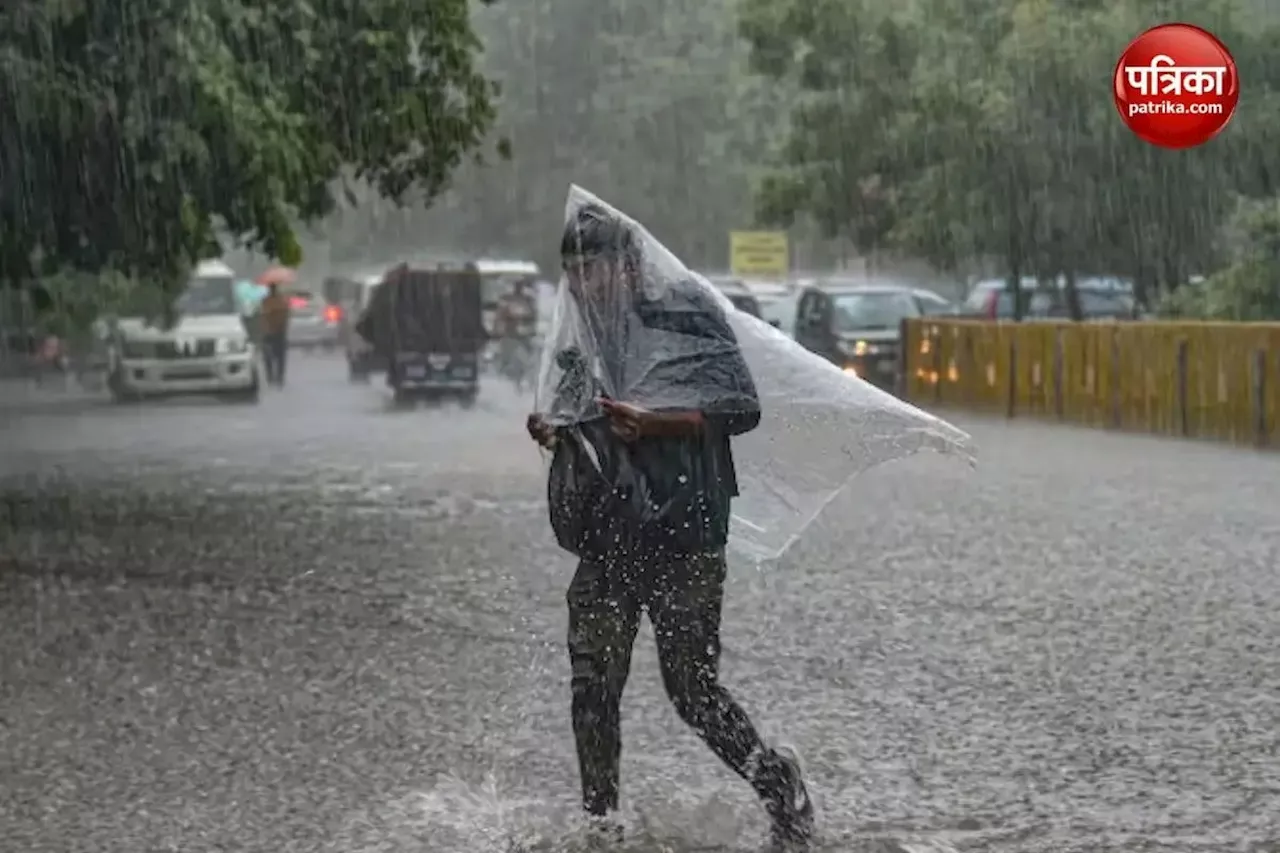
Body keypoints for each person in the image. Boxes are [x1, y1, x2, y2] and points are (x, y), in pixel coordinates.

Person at [526, 205, 814, 850]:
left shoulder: (685, 313)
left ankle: (776, 784)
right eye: (570, 272)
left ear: (629, 265)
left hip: (685, 529)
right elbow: (577, 415)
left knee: (690, 689)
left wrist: (655, 423)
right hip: (610, 531)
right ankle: (602, 824)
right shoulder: (585, 334)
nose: (581, 284)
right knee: (592, 684)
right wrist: (555, 431)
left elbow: (740, 408)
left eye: (591, 270)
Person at [258, 283, 291, 386]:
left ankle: (271, 377)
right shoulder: (282, 301)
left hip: (269, 333)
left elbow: (263, 316)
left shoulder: (266, 301)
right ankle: (279, 377)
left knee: (268, 357)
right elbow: (286, 316)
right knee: (280, 357)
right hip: (279, 332)